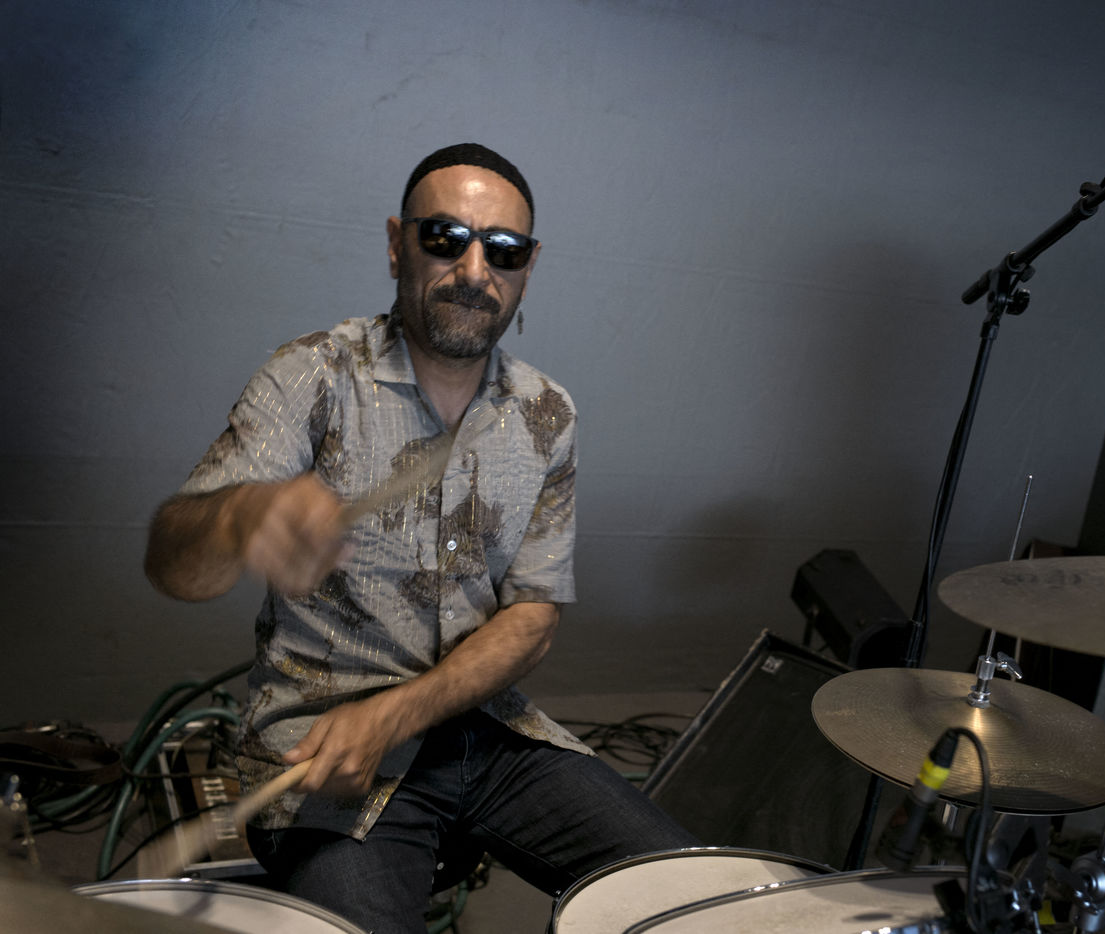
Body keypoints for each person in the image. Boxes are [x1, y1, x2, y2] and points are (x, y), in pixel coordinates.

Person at [144, 143, 698, 933]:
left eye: (503, 250)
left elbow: (533, 617)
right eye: (445, 238)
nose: (475, 270)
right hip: (323, 753)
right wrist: (238, 517)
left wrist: (399, 714)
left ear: (528, 266)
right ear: (396, 243)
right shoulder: (311, 376)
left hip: (486, 731)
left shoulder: (547, 413)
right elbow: (175, 567)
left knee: (695, 900)